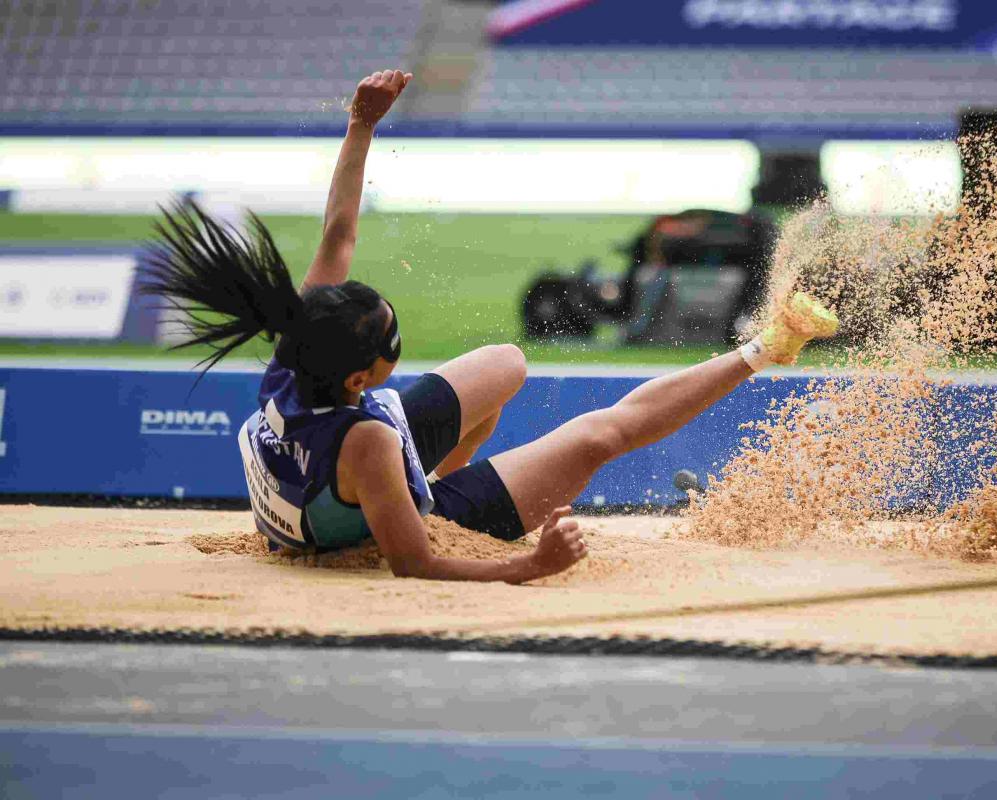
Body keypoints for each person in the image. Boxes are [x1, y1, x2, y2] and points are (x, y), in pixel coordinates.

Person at [141, 68, 838, 584]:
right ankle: (761, 350)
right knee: (601, 434)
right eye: (391, 339)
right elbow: (413, 564)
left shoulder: (302, 351)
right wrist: (525, 567)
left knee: (506, 362)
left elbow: (339, 234)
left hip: (337, 474)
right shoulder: (367, 441)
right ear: (362, 377)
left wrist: (362, 124)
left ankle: (449, 483)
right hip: (380, 508)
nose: (393, 327)